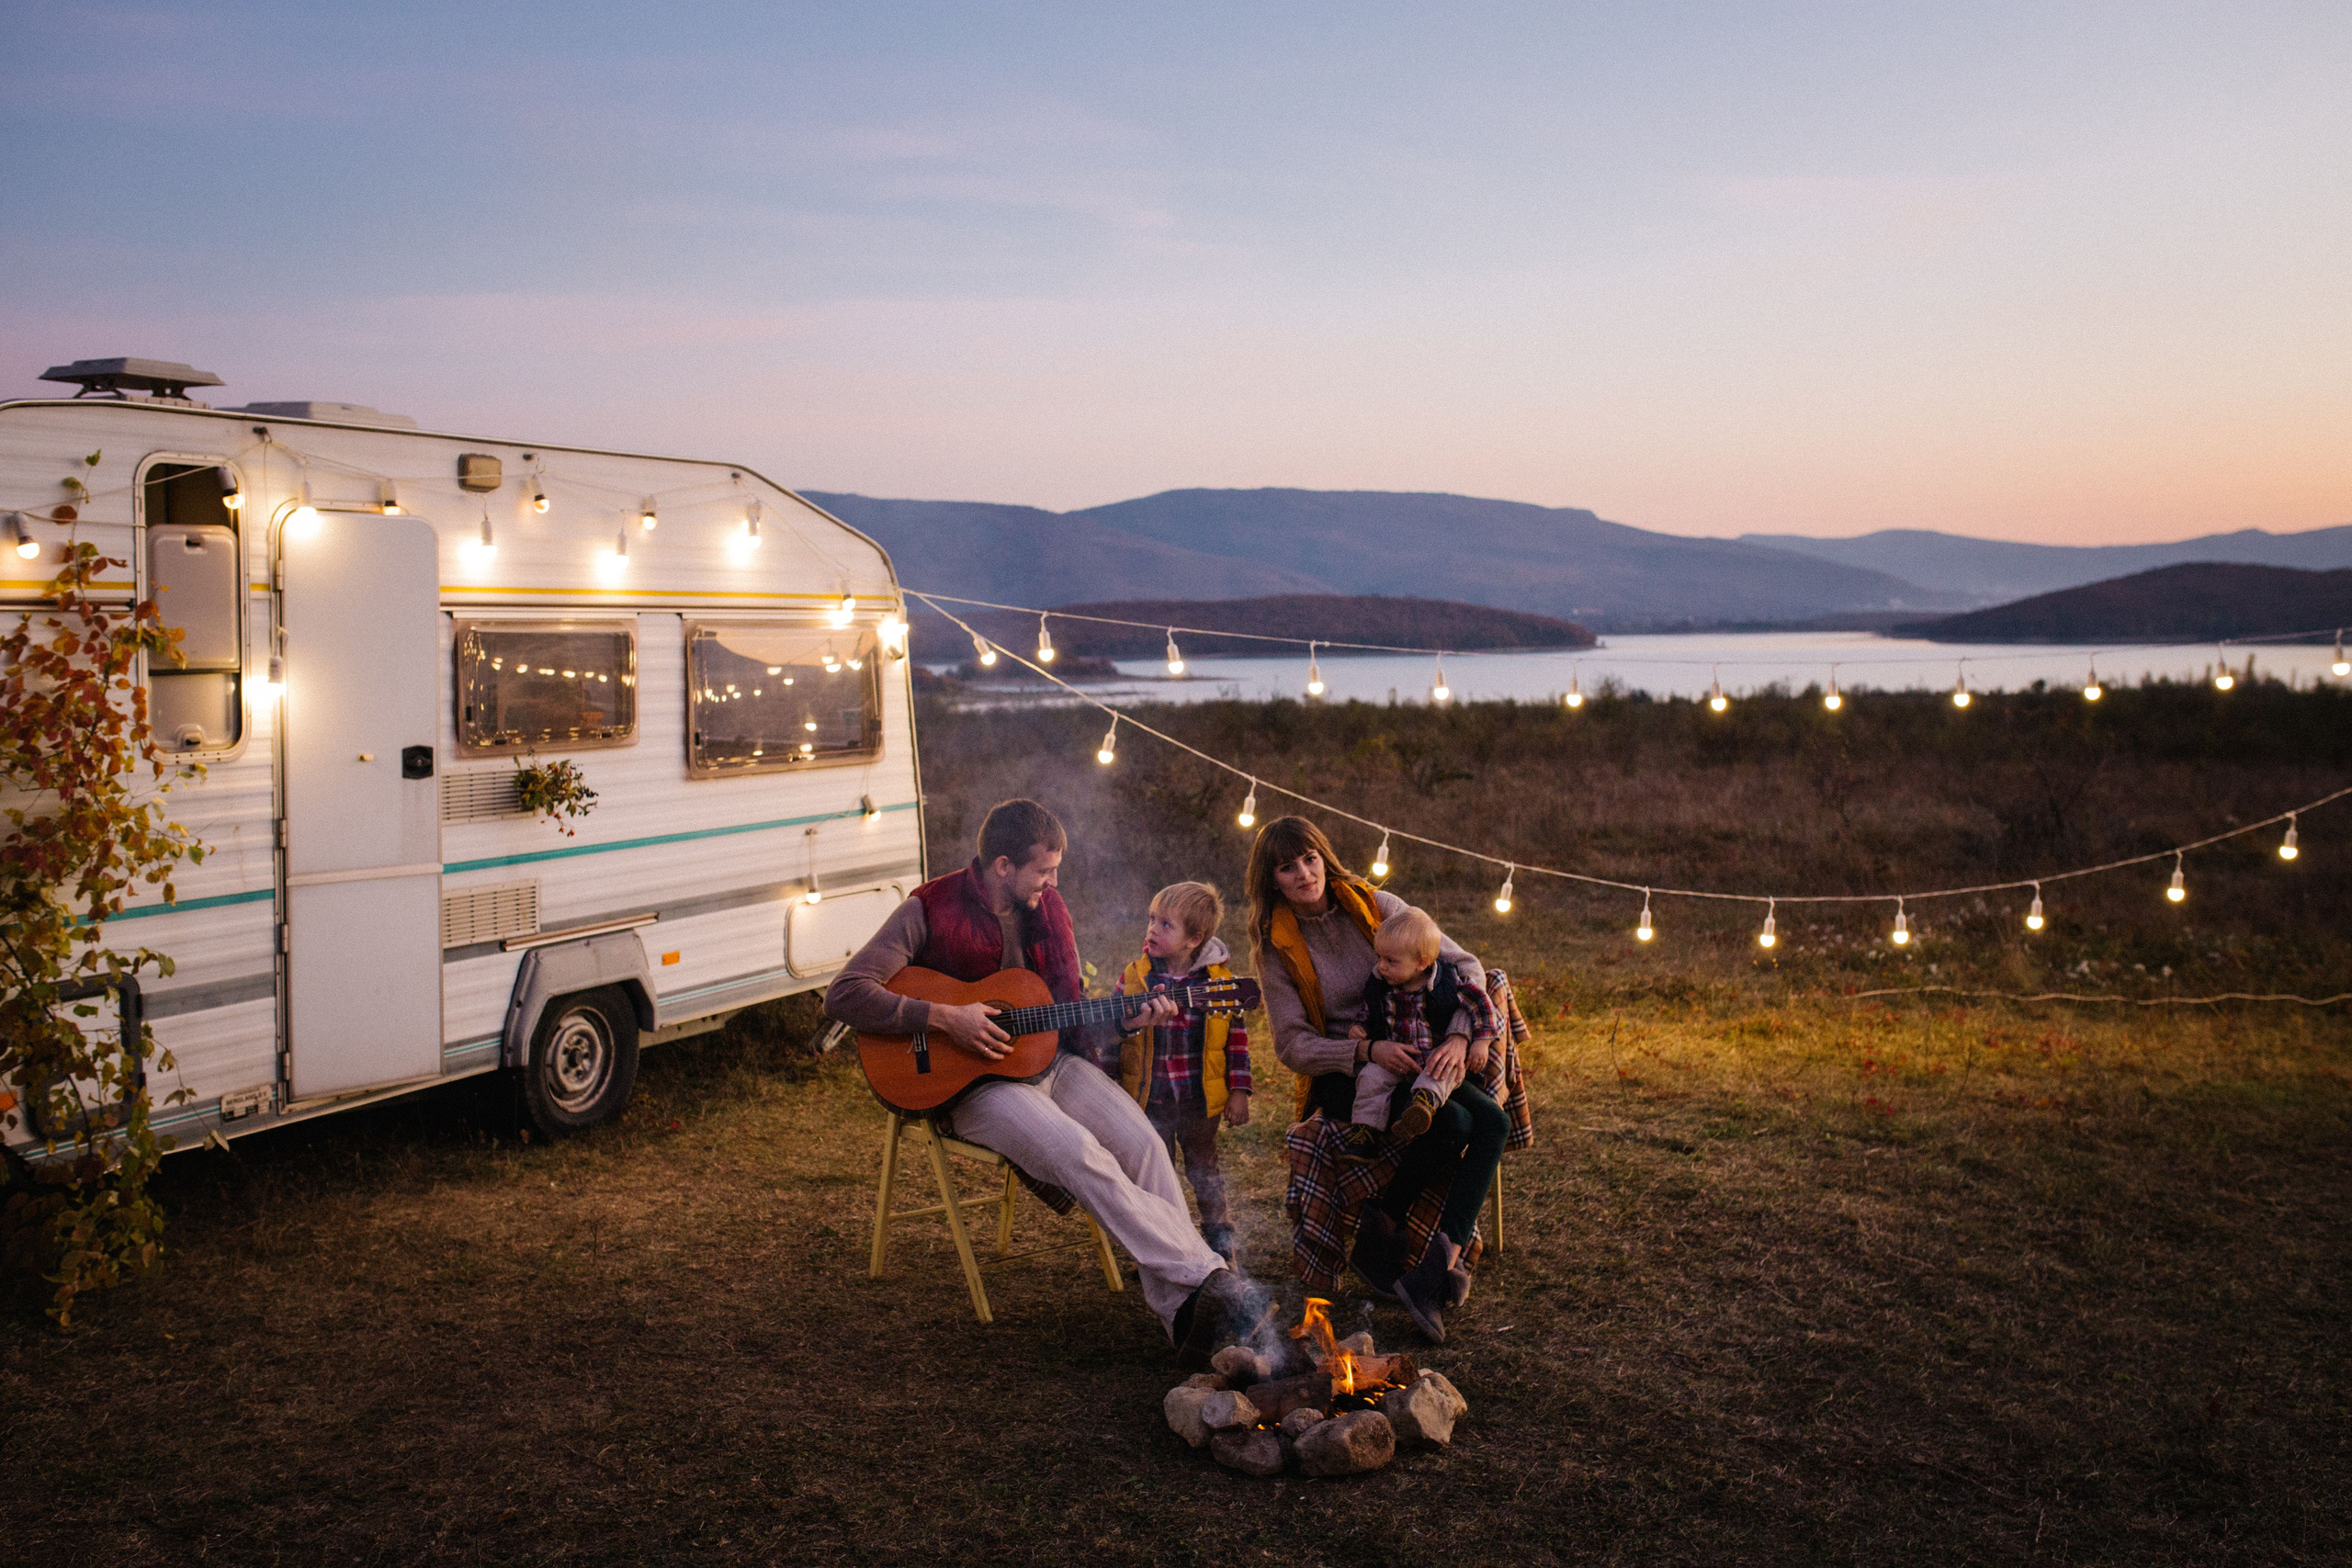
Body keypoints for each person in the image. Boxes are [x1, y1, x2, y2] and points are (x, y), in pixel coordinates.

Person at [824, 799, 1250, 1368]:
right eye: (1044, 870)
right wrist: (945, 1017)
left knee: (1145, 1145)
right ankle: (1208, 1278)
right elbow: (846, 992)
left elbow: (1070, 1009)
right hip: (970, 1087)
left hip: (1053, 1061)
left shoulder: (1048, 909)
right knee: (1080, 1152)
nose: (1054, 882)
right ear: (1003, 865)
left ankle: (1185, 1315)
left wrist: (1128, 1019)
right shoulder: (930, 907)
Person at [1250, 815, 1510, 1343]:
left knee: (1492, 1124)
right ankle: (1394, 1235)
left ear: (1325, 857)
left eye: (1310, 859)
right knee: (1455, 1123)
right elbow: (1291, 1045)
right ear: (1271, 879)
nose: (1304, 874)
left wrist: (1461, 1036)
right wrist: (1367, 1048)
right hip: (1352, 1069)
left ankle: (1430, 1263)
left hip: (1424, 1050)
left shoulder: (1377, 906)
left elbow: (1468, 966)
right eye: (1287, 867)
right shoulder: (1274, 947)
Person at [1114, 881, 1251, 1265]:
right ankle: (1165, 1250)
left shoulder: (1220, 984)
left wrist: (1238, 1091)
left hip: (1198, 1098)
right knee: (1156, 1175)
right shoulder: (1135, 977)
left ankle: (1221, 1242)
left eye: (1166, 924)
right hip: (1150, 1097)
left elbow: (1236, 1041)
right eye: (1151, 920)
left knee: (1205, 1172)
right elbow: (1113, 1034)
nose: (1152, 929)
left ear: (1194, 938)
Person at [1337, 906, 1498, 1156]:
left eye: (1391, 961)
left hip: (1434, 1056)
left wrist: (1482, 1042)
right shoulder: (1382, 984)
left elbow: (1481, 1004)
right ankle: (1365, 1132)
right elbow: (1370, 1010)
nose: (1381, 966)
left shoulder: (1446, 984)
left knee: (1443, 1071)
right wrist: (1359, 1026)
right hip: (1396, 1060)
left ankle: (1422, 1106)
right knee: (1370, 1079)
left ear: (1421, 963)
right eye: (1379, 957)